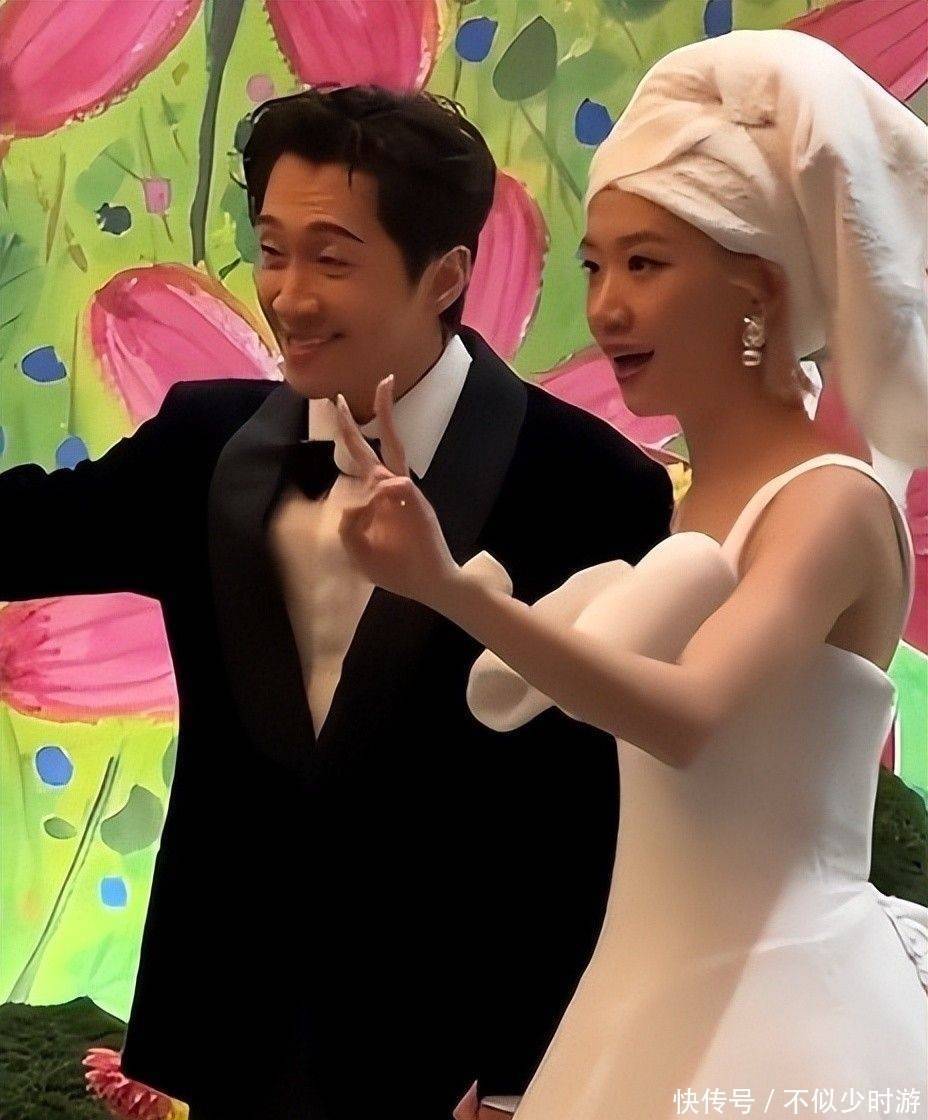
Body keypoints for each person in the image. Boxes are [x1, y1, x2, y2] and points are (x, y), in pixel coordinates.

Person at [0, 87, 672, 1118]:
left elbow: (586, 814)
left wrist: (521, 1074)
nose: (289, 295)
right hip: (231, 1033)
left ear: (445, 274)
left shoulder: (590, 485)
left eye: (331, 258)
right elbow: (28, 531)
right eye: (272, 251)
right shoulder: (204, 442)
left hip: (448, 1052)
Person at [334, 32, 928, 1119]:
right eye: (594, 267)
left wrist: (454, 588)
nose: (605, 307)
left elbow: (688, 716)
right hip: (642, 991)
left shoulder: (829, 504)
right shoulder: (684, 502)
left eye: (645, 265)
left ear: (757, 290)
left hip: (786, 1014)